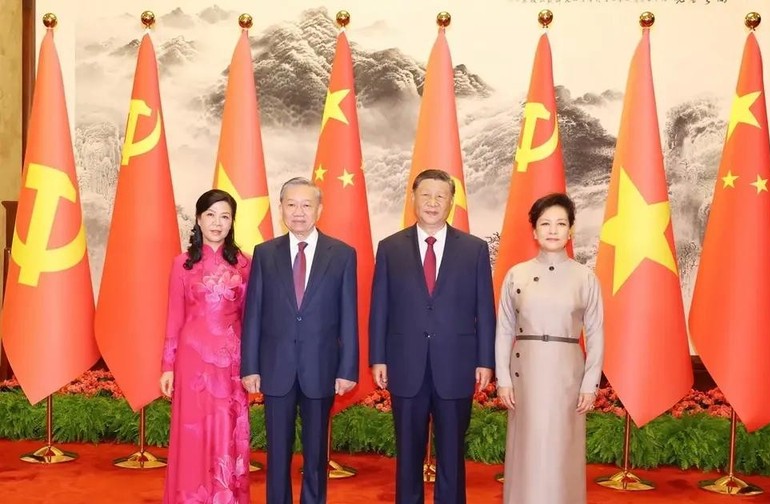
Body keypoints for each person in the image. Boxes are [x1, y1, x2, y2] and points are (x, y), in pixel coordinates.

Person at [369, 169, 496, 504]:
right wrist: (378, 357)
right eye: (426, 195)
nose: (433, 202)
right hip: (405, 364)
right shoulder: (389, 248)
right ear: (413, 198)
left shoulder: (474, 250)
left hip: (455, 366)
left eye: (441, 196)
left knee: (452, 453)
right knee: (407, 452)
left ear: (451, 202)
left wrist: (485, 360)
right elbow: (380, 307)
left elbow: (484, 309)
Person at [241, 177, 358, 504]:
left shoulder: (343, 254)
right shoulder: (265, 254)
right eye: (291, 205)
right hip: (276, 368)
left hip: (320, 368)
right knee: (277, 454)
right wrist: (250, 366)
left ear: (319, 209)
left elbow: (349, 314)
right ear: (281, 209)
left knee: (316, 455)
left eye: (307, 205)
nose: (299, 212)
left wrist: (347, 368)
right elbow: (254, 313)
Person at [495, 192, 604, 504]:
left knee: (562, 449)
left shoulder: (585, 277)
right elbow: (503, 329)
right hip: (525, 373)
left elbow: (595, 333)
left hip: (568, 374)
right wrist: (503, 378)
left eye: (560, 223)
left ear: (570, 230)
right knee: (526, 448)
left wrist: (590, 383)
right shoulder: (517, 274)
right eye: (545, 223)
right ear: (534, 230)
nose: (553, 230)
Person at [160, 189, 251, 504]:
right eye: (211, 215)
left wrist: (252, 365)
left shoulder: (245, 264)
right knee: (192, 435)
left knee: (227, 431)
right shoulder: (182, 264)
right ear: (198, 219)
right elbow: (174, 316)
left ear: (232, 222)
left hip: (232, 363)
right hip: (192, 363)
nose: (217, 222)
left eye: (225, 216)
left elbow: (251, 320)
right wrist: (167, 366)